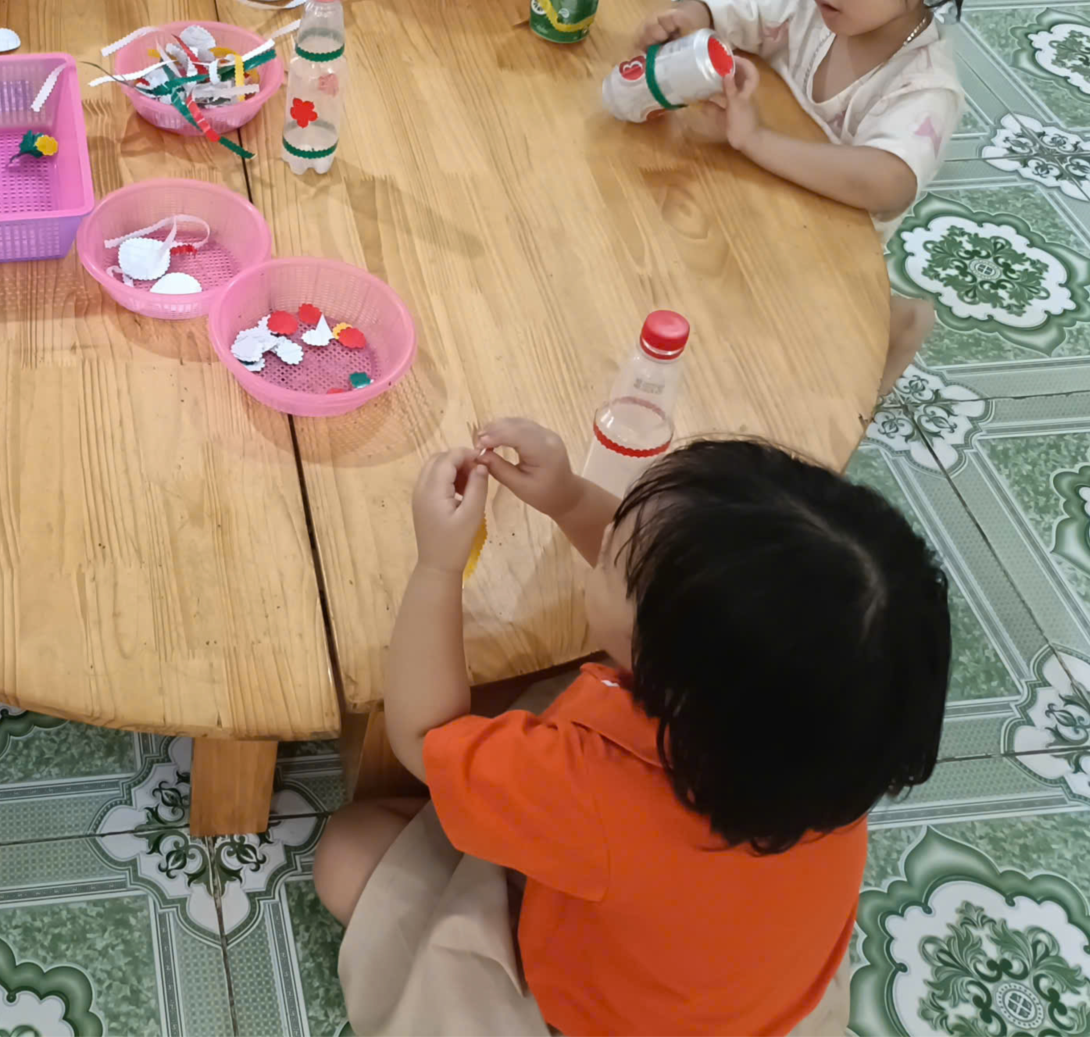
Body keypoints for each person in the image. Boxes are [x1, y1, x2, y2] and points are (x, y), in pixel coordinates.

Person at [313, 421, 950, 1037]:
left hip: (602, 1015)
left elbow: (424, 735)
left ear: (667, 667)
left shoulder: (592, 785)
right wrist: (567, 496)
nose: (612, 529)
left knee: (349, 850)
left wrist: (437, 566)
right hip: (743, 997)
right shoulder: (825, 729)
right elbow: (676, 597)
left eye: (617, 553)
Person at [630, 0, 1015, 396]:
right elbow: (744, 11)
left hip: (827, 248)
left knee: (765, 371)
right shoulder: (808, 9)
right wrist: (694, 16)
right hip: (759, 193)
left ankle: (893, 321)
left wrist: (756, 139)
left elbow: (886, 181)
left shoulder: (924, 88)